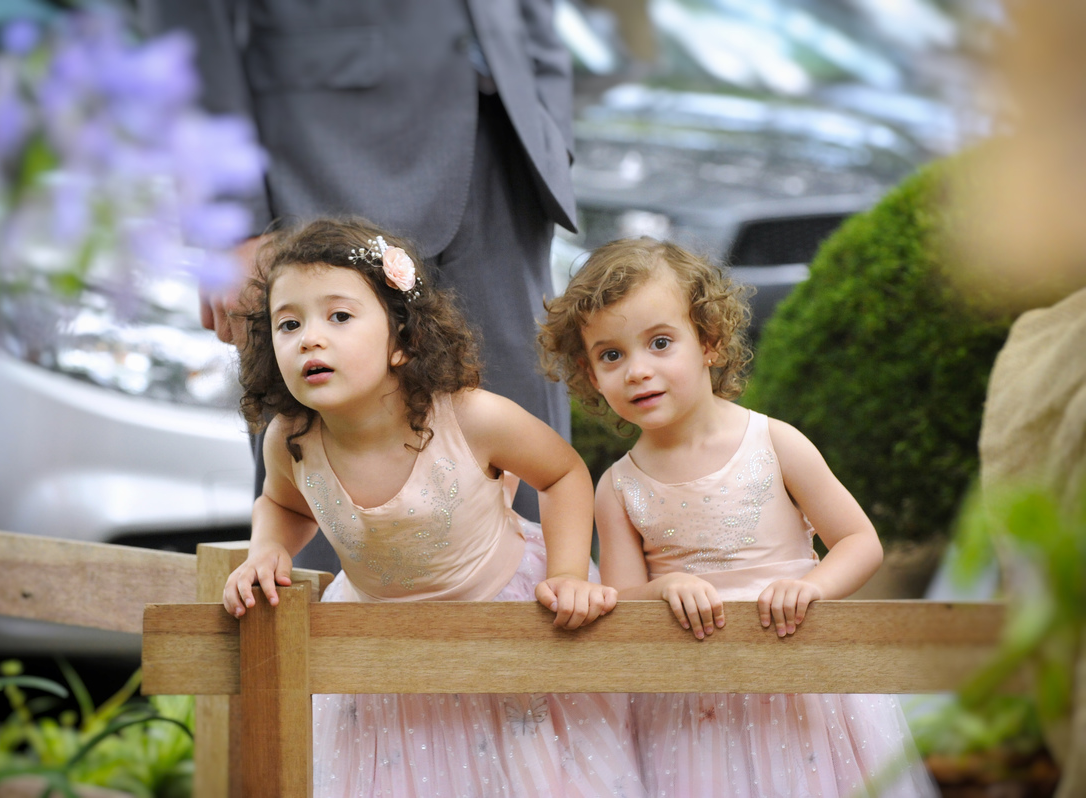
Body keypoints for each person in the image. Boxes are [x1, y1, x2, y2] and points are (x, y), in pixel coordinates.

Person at [139, 1, 575, 571]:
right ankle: (328, 663)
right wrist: (229, 223)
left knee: (528, 456)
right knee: (320, 454)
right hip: (318, 160)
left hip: (507, 140)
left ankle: (533, 661)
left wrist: (549, 116)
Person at [222, 218, 644, 797]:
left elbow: (564, 473)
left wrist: (569, 573)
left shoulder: (470, 418)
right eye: (288, 323)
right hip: (380, 638)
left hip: (498, 619)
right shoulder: (291, 439)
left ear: (403, 339)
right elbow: (283, 503)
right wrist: (268, 548)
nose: (310, 338)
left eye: (339, 316)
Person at [538, 237, 937, 797]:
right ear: (590, 373)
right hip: (693, 706)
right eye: (611, 355)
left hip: (799, 683)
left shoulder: (775, 443)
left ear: (710, 343)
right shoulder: (618, 486)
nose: (637, 371)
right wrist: (665, 586)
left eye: (659, 342)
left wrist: (812, 588)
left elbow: (858, 540)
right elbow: (621, 603)